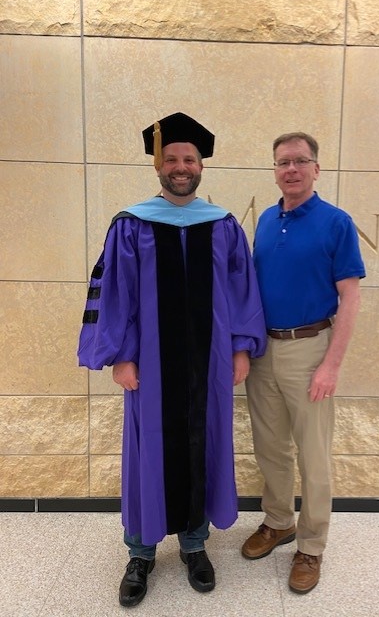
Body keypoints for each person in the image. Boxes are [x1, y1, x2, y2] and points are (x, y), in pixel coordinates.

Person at [78, 112, 266, 607]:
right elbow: (115, 293)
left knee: (203, 442)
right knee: (148, 447)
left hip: (210, 360)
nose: (181, 166)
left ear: (201, 165)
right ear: (158, 165)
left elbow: (243, 289)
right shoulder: (131, 223)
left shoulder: (223, 224)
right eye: (172, 159)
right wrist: (121, 356)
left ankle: (194, 544)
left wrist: (242, 347)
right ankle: (140, 552)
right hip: (151, 365)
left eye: (189, 159)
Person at [241, 131, 365, 594]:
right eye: (282, 162)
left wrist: (331, 365)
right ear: (275, 171)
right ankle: (278, 522)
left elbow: (350, 298)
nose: (290, 169)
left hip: (311, 348)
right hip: (263, 351)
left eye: (299, 161)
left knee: (313, 455)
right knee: (270, 446)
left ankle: (311, 546)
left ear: (316, 168)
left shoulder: (336, 222)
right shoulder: (268, 221)